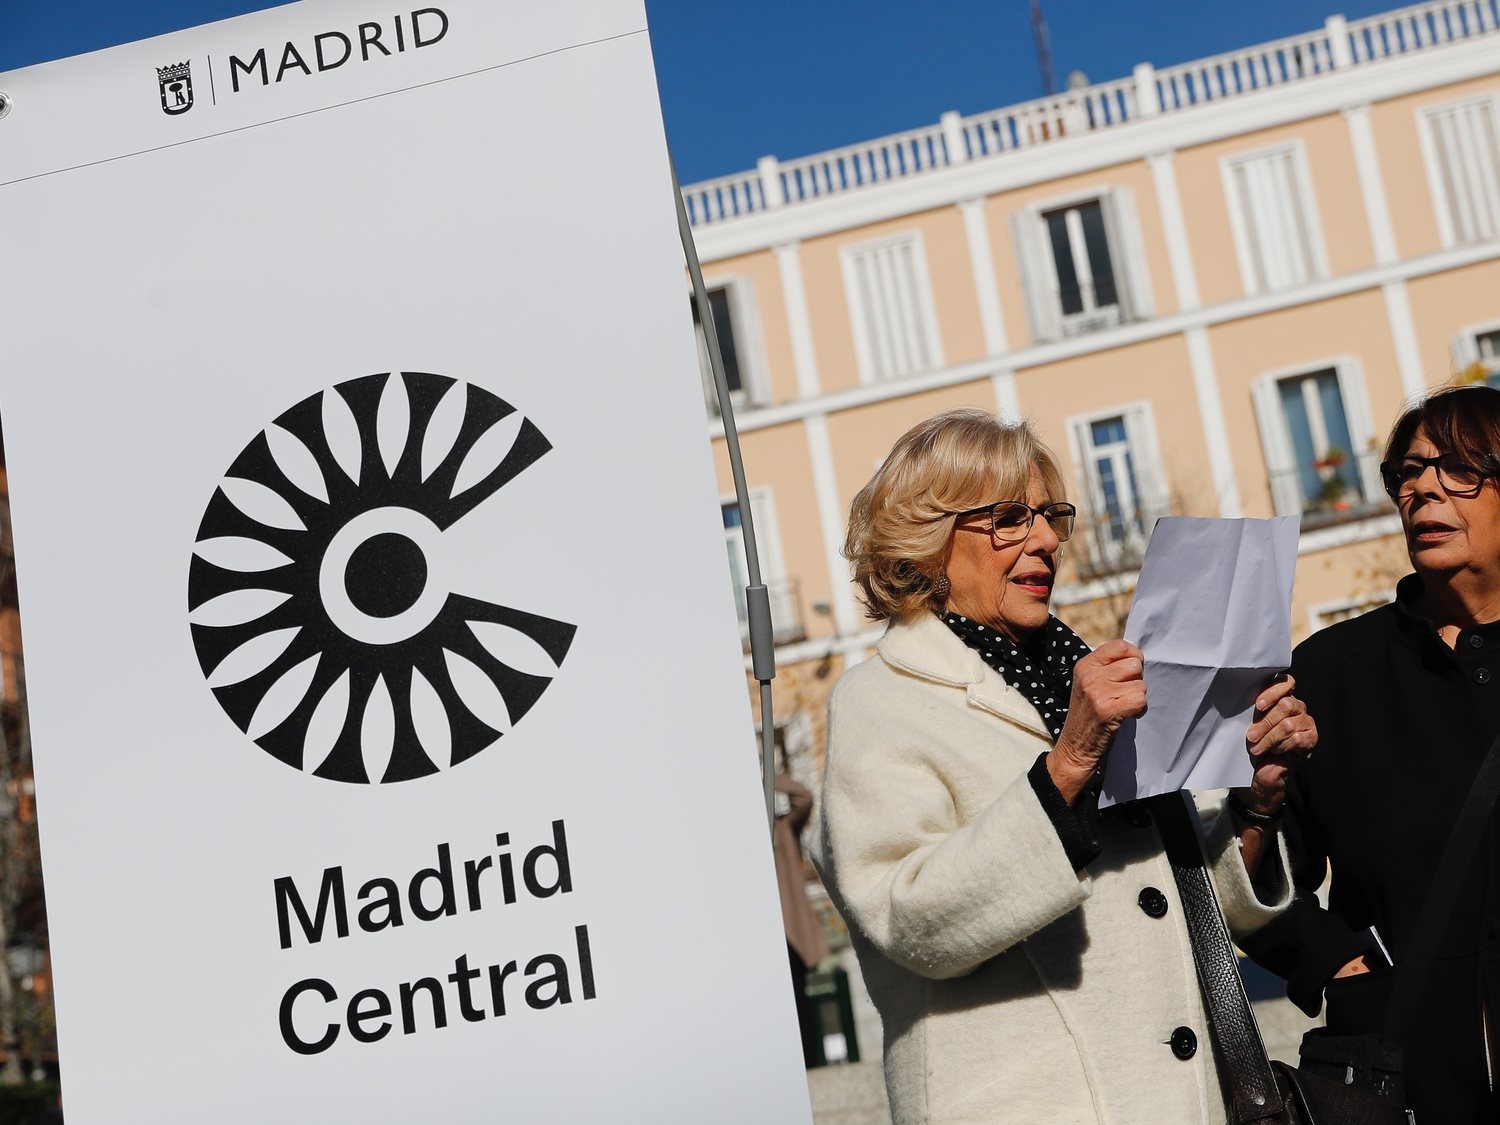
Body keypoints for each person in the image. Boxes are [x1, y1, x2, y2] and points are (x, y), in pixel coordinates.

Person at [812, 408, 1316, 1124]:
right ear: (926, 542)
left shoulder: (1083, 673)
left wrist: (1256, 800)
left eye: (1051, 515)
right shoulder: (881, 700)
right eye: (1011, 517)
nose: (1047, 539)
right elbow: (909, 920)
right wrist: (1072, 760)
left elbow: (1207, 910)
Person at [1242, 384, 1500, 1124]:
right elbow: (1250, 869)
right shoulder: (1327, 675)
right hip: (1411, 1080)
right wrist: (1335, 960)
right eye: (1407, 473)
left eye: (1455, 468)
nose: (1421, 488)